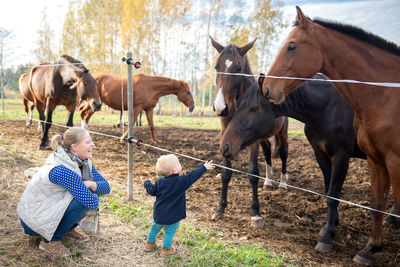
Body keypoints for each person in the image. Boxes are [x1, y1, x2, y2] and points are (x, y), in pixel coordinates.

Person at [16, 127, 110, 257]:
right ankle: (50, 242)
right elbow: (92, 202)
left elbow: (106, 187)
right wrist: (90, 188)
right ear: (75, 147)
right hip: (34, 222)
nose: (92, 145)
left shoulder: (83, 162)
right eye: (88, 142)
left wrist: (91, 184)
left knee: (86, 193)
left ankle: (66, 229)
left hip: (48, 211)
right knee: (83, 203)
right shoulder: (62, 169)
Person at [143, 154, 215, 256]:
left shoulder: (160, 182)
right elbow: (193, 175)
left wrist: (147, 183)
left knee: (154, 228)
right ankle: (166, 249)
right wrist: (204, 168)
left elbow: (152, 191)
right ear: (174, 170)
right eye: (179, 164)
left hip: (159, 214)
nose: (181, 165)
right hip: (173, 215)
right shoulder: (181, 181)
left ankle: (149, 245)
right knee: (170, 231)